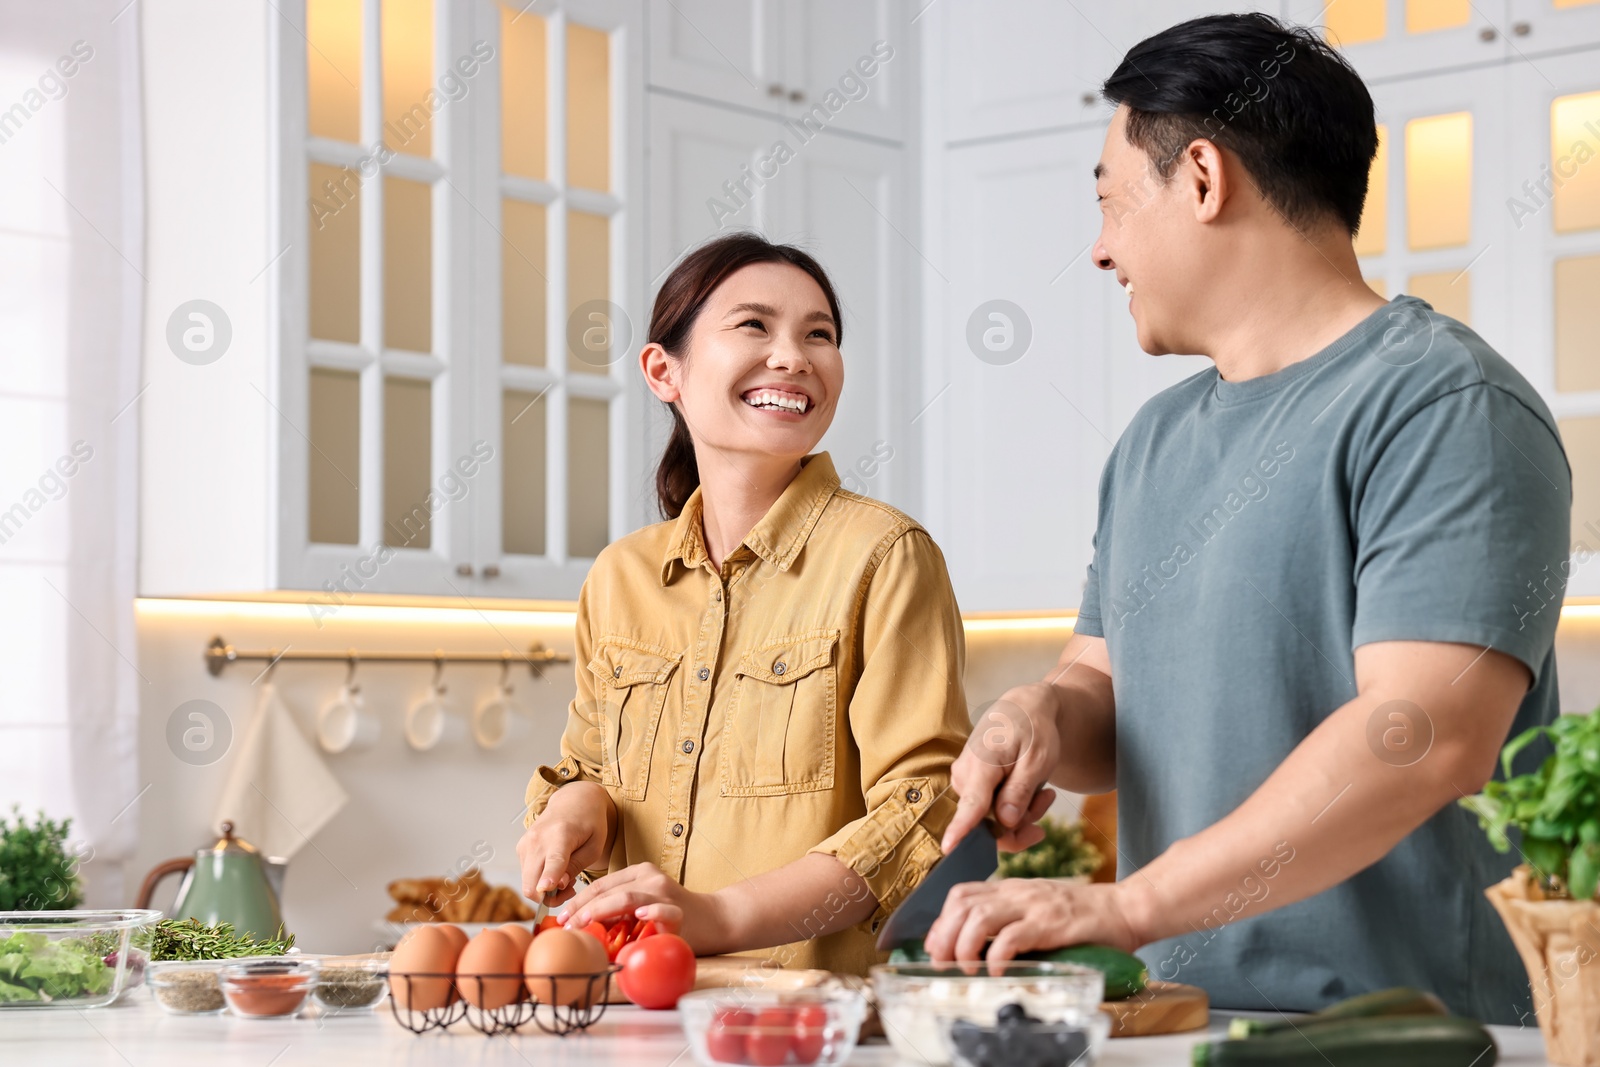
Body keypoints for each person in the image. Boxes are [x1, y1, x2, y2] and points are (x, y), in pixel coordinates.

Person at [929, 13, 1571, 1025]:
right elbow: (1100, 683)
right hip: (1180, 1020)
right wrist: (1038, 715)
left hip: (1409, 1038)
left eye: (1107, 203)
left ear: (1200, 177)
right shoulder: (1152, 441)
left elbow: (1425, 732)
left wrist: (1128, 903)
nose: (1098, 252)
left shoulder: (1443, 403)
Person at [516, 232, 969, 974]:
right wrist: (575, 810)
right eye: (755, 325)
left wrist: (717, 917)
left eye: (818, 334)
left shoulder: (885, 556)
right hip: (634, 1006)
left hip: (810, 1021)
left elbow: (918, 810)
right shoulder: (619, 576)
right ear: (665, 371)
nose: (794, 355)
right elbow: (587, 768)